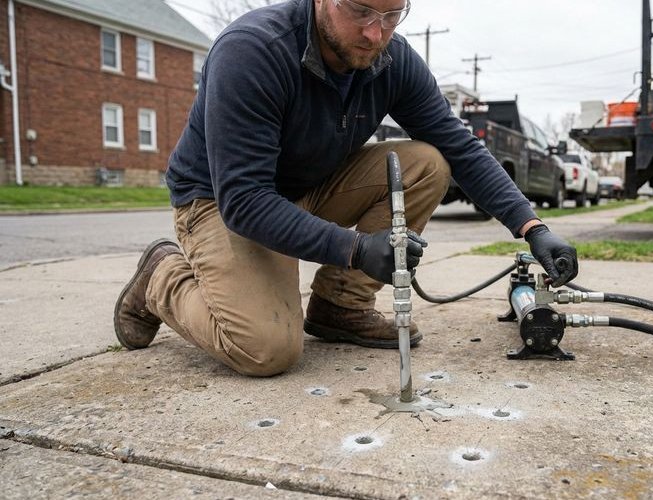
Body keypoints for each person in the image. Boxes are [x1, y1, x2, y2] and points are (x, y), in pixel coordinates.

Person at [113, 0, 579, 377]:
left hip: (309, 186)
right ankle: (162, 276)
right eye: (360, 11)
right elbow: (246, 201)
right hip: (220, 201)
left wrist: (532, 226)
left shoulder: (391, 58)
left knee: (427, 162)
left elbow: (459, 145)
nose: (376, 33)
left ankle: (339, 306)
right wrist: (354, 248)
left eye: (392, 15)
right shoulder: (253, 51)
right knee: (265, 349)